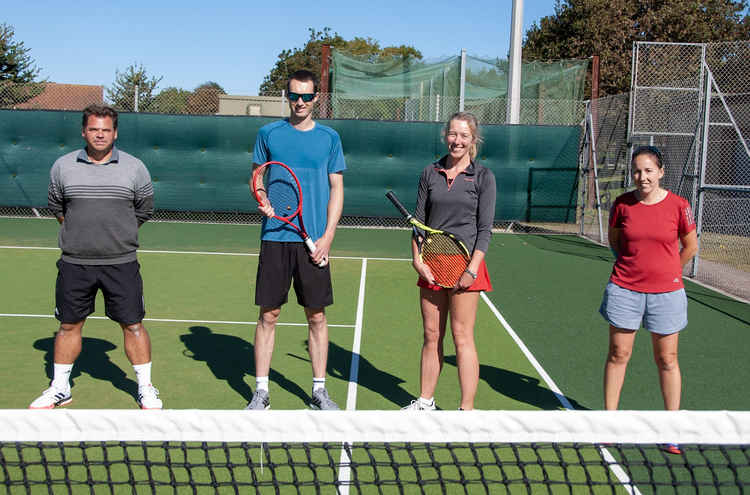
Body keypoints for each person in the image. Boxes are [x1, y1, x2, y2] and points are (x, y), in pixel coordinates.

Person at [30, 104, 162, 410]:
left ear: (115, 133)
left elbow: (144, 208)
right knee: (68, 325)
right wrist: (82, 235)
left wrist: (118, 233)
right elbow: (58, 207)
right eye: (93, 129)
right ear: (83, 131)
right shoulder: (62, 166)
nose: (99, 135)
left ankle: (145, 388)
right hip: (75, 263)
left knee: (133, 325)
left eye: (105, 130)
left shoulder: (135, 167)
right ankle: (60, 388)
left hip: (122, 262)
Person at [246, 69, 346, 411]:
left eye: (306, 96)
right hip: (275, 237)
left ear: (316, 98)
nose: (300, 102)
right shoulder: (268, 133)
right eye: (294, 95)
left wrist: (328, 237)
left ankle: (319, 391)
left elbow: (336, 188)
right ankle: (261, 391)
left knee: (316, 316)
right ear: (286, 97)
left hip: (314, 241)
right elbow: (258, 177)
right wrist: (262, 199)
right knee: (269, 314)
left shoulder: (330, 138)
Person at [402, 112, 496, 411]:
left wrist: (472, 269)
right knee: (431, 335)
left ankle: (466, 409)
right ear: (446, 136)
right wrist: (417, 260)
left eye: (464, 136)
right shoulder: (430, 173)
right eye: (453, 134)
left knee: (462, 336)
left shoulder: (483, 177)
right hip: (432, 264)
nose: (457, 141)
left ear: (473, 140)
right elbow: (418, 223)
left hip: (466, 265)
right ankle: (425, 402)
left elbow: (484, 230)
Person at [600, 146, 698, 421]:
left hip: (667, 294)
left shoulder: (679, 205)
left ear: (661, 172)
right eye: (637, 171)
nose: (642, 177)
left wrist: (669, 270)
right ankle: (607, 421)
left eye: (648, 171)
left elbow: (690, 246)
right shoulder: (621, 204)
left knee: (667, 359)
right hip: (624, 290)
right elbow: (615, 241)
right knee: (619, 353)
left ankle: (671, 426)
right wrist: (631, 268)